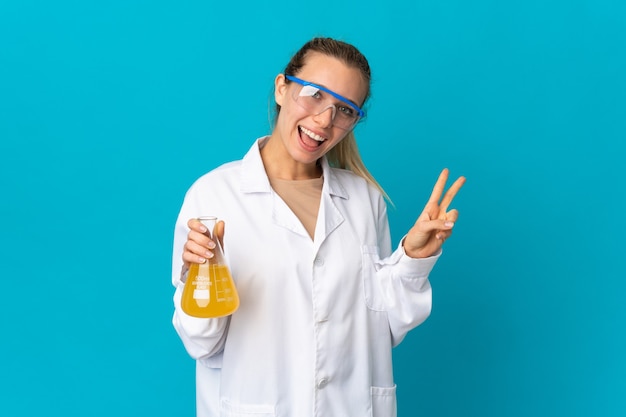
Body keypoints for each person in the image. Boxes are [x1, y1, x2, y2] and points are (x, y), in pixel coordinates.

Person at [171, 37, 465, 417]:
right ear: (281, 88)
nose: (324, 120)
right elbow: (201, 344)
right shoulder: (214, 196)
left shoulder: (364, 200)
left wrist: (413, 258)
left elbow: (383, 329)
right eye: (314, 94)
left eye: (344, 109)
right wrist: (201, 278)